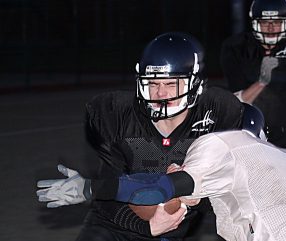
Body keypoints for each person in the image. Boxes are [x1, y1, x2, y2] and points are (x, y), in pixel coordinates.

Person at [37, 32, 246, 241]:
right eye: (153, 84)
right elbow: (108, 195)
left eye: (171, 83)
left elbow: (233, 195)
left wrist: (194, 195)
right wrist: (147, 228)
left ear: (195, 85)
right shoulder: (117, 116)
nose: (160, 94)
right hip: (115, 225)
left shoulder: (217, 114)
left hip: (177, 227)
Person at [220, 0, 286, 153]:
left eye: (276, 22)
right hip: (254, 132)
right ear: (255, 23)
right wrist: (262, 82)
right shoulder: (238, 48)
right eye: (264, 22)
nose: (270, 28)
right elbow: (237, 103)